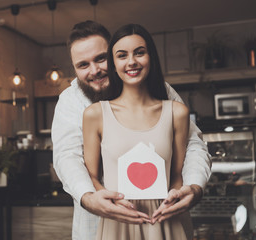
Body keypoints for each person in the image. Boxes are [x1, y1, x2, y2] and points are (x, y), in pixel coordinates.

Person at [51, 20, 211, 240]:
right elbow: (66, 157)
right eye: (83, 65)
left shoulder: (161, 92)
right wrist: (88, 197)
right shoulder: (71, 102)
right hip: (102, 223)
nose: (95, 70)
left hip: (164, 220)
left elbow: (193, 145)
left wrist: (194, 187)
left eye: (100, 58)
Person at [83, 23, 193, 240]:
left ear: (151, 58)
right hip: (118, 221)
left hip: (164, 221)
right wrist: (110, 201)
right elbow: (92, 175)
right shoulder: (95, 114)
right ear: (113, 64)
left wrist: (173, 198)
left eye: (139, 53)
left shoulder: (177, 113)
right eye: (122, 55)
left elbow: (177, 174)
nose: (131, 61)